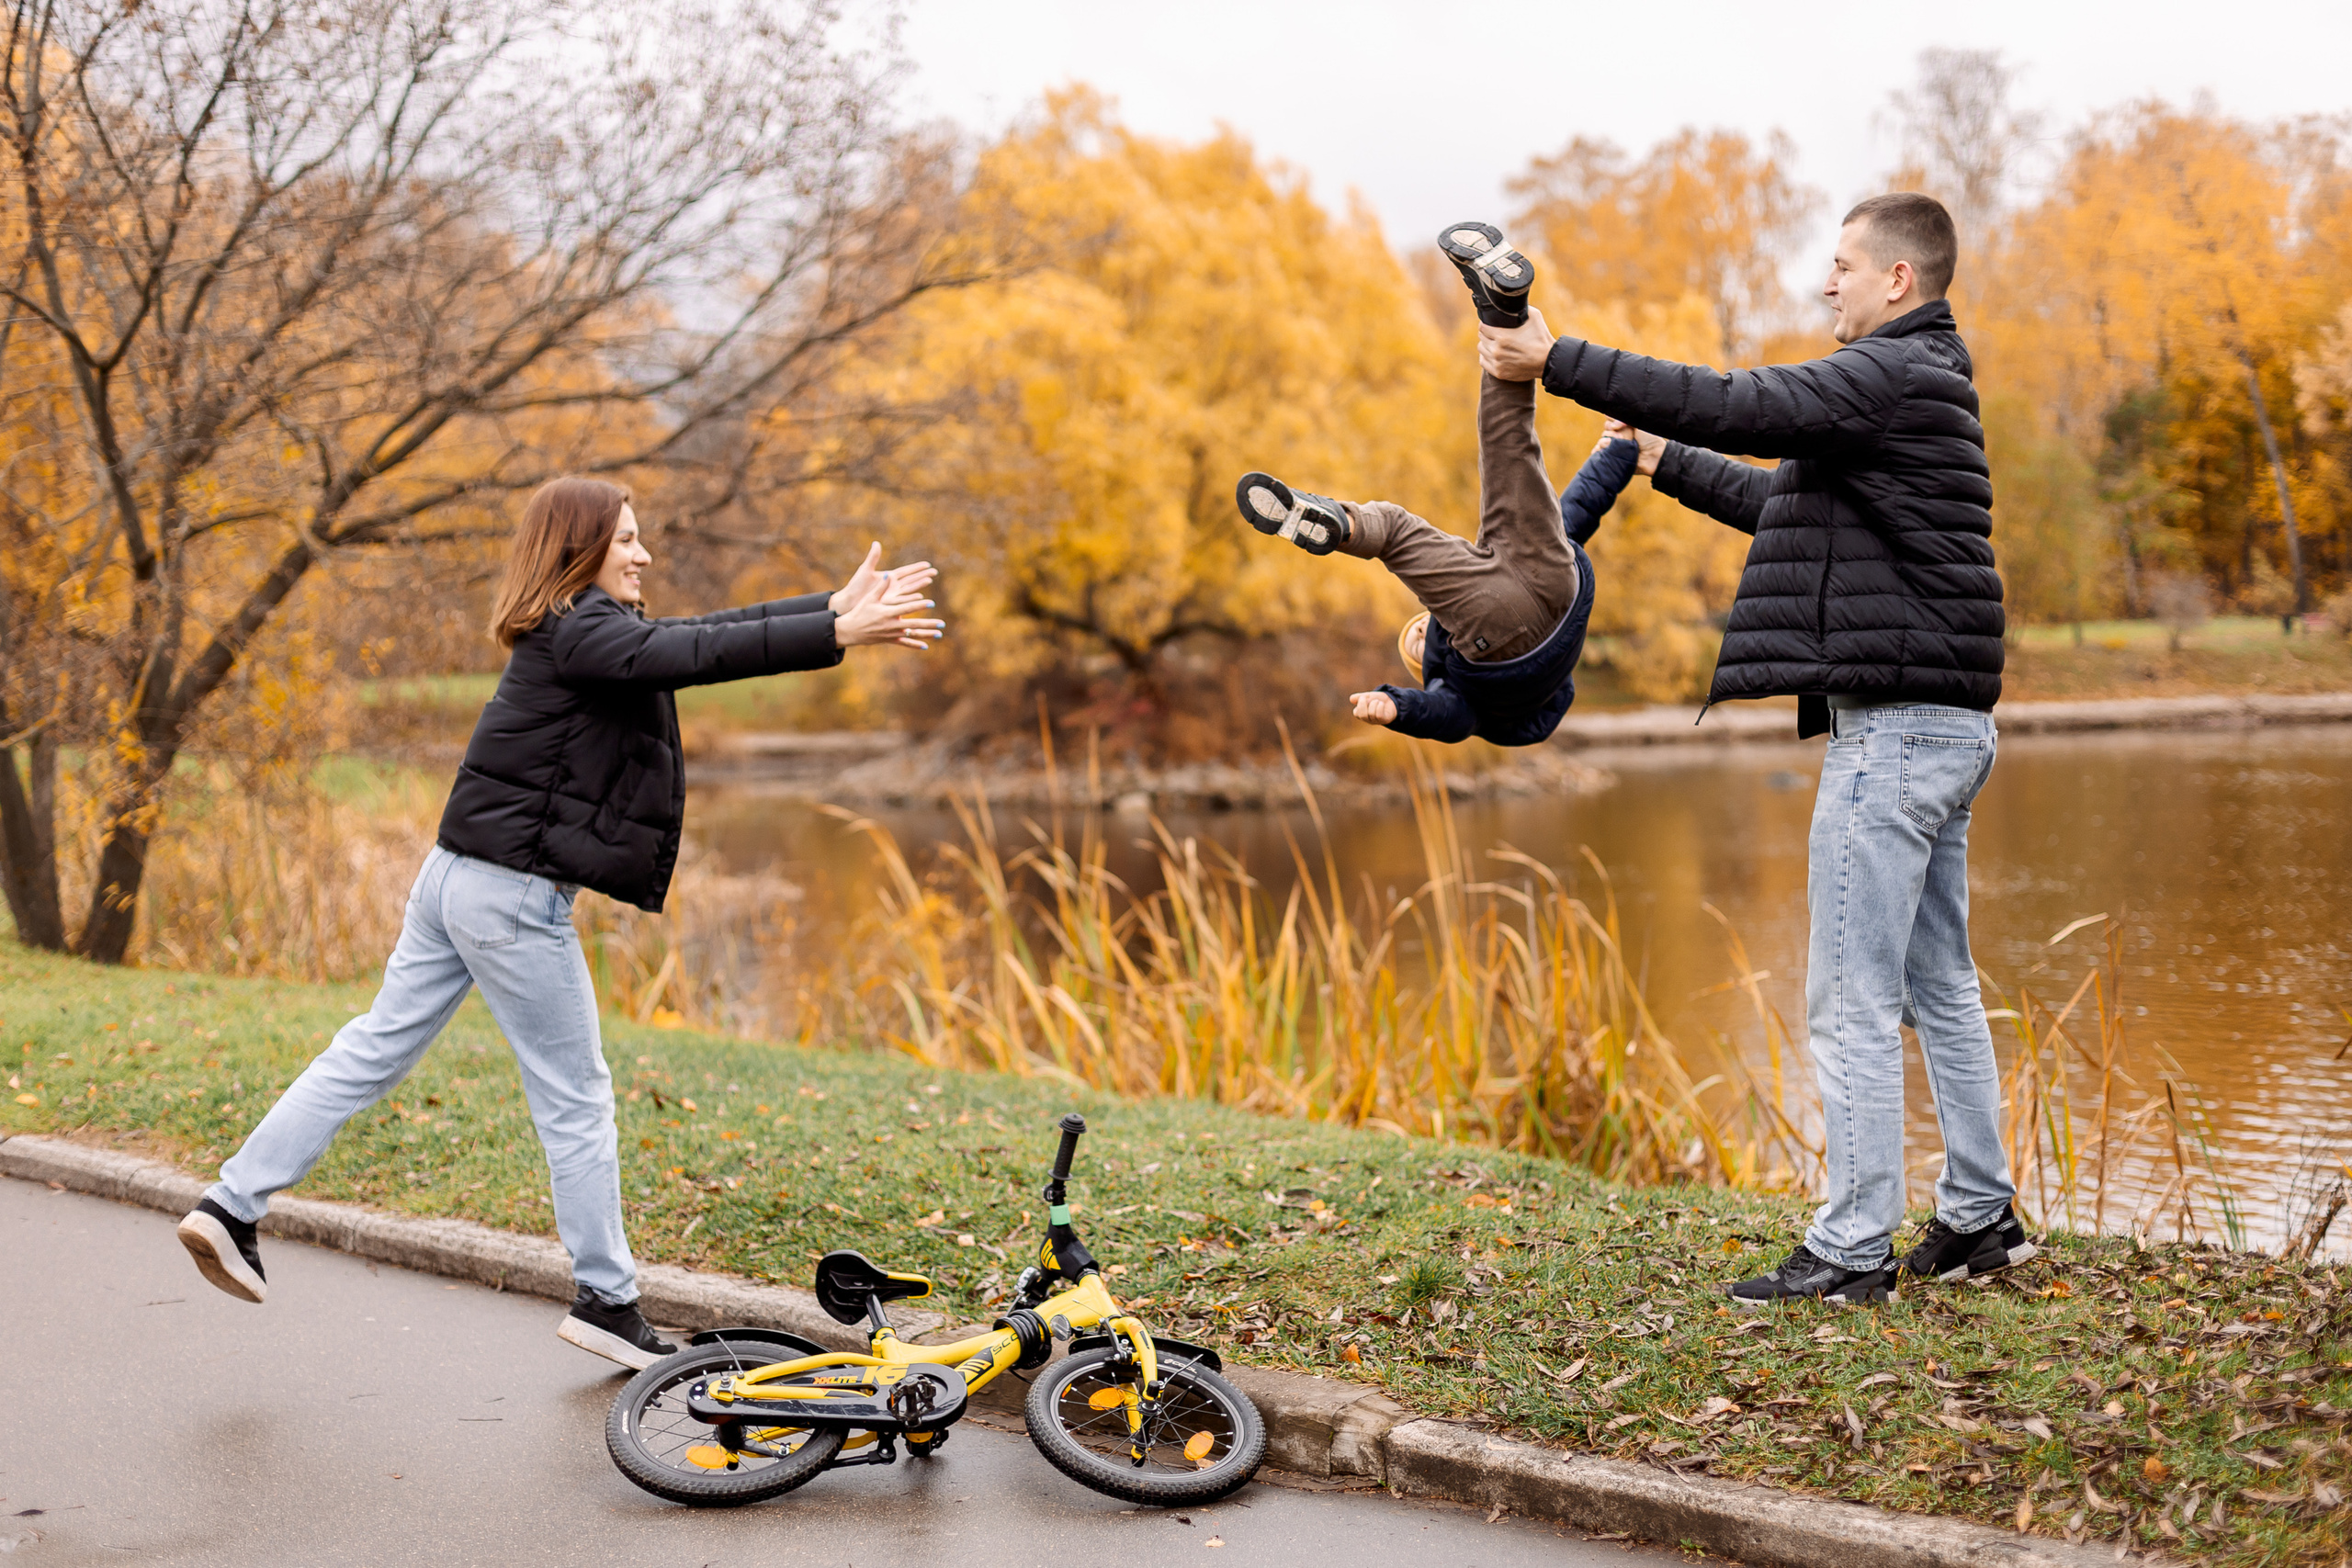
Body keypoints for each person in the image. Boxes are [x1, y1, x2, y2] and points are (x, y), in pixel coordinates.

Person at [175, 478, 944, 1368]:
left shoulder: (572, 629)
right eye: (625, 539)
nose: (643, 553)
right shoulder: (585, 630)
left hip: (453, 876)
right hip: (508, 895)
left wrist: (828, 607)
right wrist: (835, 632)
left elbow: (680, 639)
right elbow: (692, 652)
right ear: (580, 548)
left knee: (372, 1047)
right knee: (576, 1097)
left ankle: (230, 1205)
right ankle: (608, 1302)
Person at [1481, 193, 2028, 1307]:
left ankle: (1851, 1248)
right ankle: (1979, 1220)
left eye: (1840, 266)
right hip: (1944, 726)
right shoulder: (1914, 387)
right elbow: (1785, 501)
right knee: (1936, 982)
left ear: (1896, 282)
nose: (1824, 282)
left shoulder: (1891, 373)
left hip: (1895, 738)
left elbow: (1748, 402)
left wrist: (1559, 359)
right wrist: (1660, 460)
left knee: (1850, 1000)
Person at [1234, 222, 1643, 746]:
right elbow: (1445, 716)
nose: (1424, 628)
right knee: (1400, 532)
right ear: (1427, 662)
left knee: (1507, 447)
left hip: (1548, 576)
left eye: (1418, 626)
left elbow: (1580, 508)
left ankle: (1503, 310)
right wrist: (1398, 708)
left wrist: (1620, 451)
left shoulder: (1472, 597)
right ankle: (1337, 521)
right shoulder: (1460, 688)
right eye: (1419, 641)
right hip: (1507, 634)